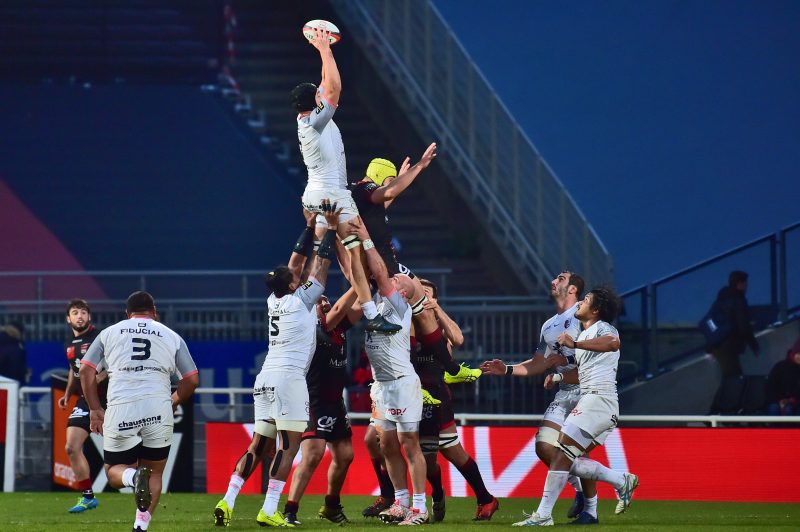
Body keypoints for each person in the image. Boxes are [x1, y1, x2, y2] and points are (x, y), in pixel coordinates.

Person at [292, 27, 399, 336]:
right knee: (364, 250)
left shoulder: (308, 120)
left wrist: (322, 52)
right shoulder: (316, 122)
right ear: (313, 101)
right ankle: (373, 311)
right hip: (333, 194)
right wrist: (325, 49)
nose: (320, 94)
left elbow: (326, 86)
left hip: (314, 193)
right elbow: (335, 88)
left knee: (324, 256)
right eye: (317, 95)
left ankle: (303, 304)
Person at [511, 287, 639, 527]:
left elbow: (613, 343)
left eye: (587, 300)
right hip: (596, 401)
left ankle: (544, 516)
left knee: (561, 455)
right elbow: (584, 372)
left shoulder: (602, 328)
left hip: (598, 400)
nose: (581, 302)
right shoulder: (587, 334)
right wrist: (559, 377)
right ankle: (621, 481)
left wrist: (575, 344)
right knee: (565, 455)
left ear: (596, 310)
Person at [79, 291, 199, 532]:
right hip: (158, 407)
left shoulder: (109, 333)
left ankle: (133, 479)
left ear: (127, 313)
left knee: (113, 472)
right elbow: (192, 378)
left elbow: (85, 370)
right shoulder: (171, 336)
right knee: (155, 472)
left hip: (122, 407)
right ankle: (140, 526)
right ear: (154, 312)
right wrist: (173, 401)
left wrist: (94, 409)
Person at [254, 201, 341, 528]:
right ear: (291, 285)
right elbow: (319, 266)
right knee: (288, 449)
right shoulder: (301, 299)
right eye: (293, 277)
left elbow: (295, 263)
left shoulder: (274, 298)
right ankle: (270, 507)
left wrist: (308, 227)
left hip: (267, 375)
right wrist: (329, 230)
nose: (296, 273)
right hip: (289, 379)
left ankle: (236, 499)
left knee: (264, 444)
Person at [481, 271, 595, 521]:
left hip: (588, 390)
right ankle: (581, 490)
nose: (554, 281)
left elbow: (597, 356)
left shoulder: (584, 315)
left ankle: (591, 509)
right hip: (564, 390)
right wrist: (507, 369)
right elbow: (538, 363)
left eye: (561, 278)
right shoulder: (549, 325)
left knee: (575, 450)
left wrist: (566, 361)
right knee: (544, 446)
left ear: (573, 289)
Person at [350, 220, 429, 526]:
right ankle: (401, 502)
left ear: (405, 293)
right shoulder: (376, 305)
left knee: (410, 444)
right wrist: (347, 244)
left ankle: (420, 509)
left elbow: (381, 272)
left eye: (401, 281)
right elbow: (357, 274)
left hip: (401, 383)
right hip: (382, 386)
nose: (394, 280)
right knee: (386, 445)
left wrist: (367, 236)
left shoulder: (399, 308)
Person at [414, 278, 499, 522]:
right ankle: (441, 494)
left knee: (448, 452)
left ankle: (484, 498)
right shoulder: (407, 320)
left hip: (435, 396)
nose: (419, 294)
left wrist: (436, 309)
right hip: (410, 393)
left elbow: (458, 340)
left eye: (426, 292)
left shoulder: (437, 326)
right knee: (424, 455)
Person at [281, 288, 361, 525]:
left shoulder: (340, 328)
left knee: (345, 455)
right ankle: (290, 510)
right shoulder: (313, 329)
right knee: (313, 454)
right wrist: (358, 285)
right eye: (319, 301)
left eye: (326, 299)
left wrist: (373, 283)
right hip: (312, 400)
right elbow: (339, 309)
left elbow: (359, 308)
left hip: (335, 402)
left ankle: (331, 506)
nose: (325, 303)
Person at [350, 144, 437, 274]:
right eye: (390, 180)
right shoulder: (365, 188)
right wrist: (419, 166)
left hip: (382, 262)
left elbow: (381, 205)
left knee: (418, 290)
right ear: (379, 175)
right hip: (379, 263)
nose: (392, 184)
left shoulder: (362, 194)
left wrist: (401, 178)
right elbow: (389, 192)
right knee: (418, 290)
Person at [57, 299, 106, 513]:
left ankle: (143, 486)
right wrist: (68, 394)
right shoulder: (70, 343)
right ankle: (87, 497)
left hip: (109, 400)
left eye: (83, 312)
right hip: (85, 400)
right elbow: (73, 369)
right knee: (71, 446)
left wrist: (95, 380)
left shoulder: (100, 338)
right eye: (75, 313)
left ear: (90, 317)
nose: (80, 316)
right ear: (69, 319)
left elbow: (113, 366)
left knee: (124, 452)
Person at [704, 271, 760, 414]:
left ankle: (720, 413)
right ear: (740, 283)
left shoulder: (721, 298)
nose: (747, 286)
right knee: (734, 379)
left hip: (718, 345)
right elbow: (743, 325)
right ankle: (718, 413)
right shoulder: (737, 299)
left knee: (729, 379)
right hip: (727, 346)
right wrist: (754, 345)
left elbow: (712, 321)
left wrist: (710, 346)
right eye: (746, 283)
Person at [765, 337, 800, 416]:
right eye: (798, 354)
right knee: (774, 408)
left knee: (789, 410)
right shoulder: (780, 367)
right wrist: (779, 401)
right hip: (777, 401)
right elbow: (770, 388)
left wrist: (792, 400)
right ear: (794, 353)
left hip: (795, 402)